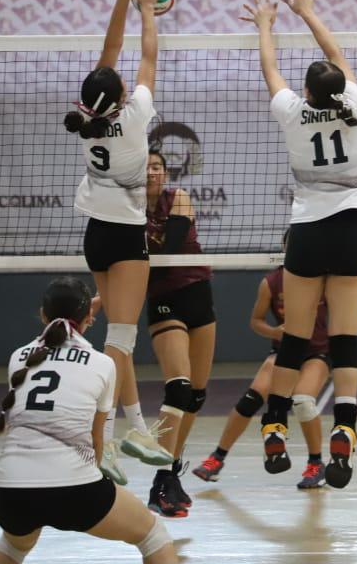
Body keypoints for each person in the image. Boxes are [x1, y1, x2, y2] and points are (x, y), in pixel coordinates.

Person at [241, 0, 357, 488]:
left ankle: (275, 423)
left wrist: (266, 24)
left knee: (294, 340)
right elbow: (336, 54)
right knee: (345, 341)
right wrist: (308, 11)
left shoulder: (293, 113)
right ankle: (345, 428)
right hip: (351, 231)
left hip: (307, 233)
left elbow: (269, 69)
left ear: (309, 92)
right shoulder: (354, 103)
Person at [63, 0, 171, 482]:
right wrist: (146, 7)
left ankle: (137, 429)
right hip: (127, 238)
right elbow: (146, 54)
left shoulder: (88, 117)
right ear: (120, 96)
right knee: (120, 343)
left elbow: (110, 54)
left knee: (119, 340)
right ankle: (103, 439)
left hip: (95, 235)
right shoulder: (133, 119)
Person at [0, 277, 176, 564]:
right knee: (153, 535)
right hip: (74, 490)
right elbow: (97, 441)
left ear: (42, 315)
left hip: (10, 493)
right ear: (89, 319)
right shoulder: (103, 364)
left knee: (13, 546)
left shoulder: (18, 358)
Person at [194, 234, 331, 490]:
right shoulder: (271, 282)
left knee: (303, 402)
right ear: (285, 248)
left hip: (316, 354)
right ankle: (217, 459)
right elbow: (256, 321)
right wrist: (274, 332)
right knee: (250, 400)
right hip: (283, 353)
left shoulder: (324, 280)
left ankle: (316, 464)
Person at [141, 150, 216, 518]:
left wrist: (136, 262)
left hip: (197, 293)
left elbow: (168, 250)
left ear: (165, 173)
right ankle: (161, 479)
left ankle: (170, 471)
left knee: (197, 395)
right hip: (163, 300)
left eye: (157, 167)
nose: (151, 172)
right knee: (179, 388)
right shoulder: (127, 210)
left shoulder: (179, 197)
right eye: (145, 167)